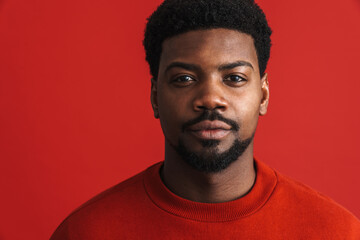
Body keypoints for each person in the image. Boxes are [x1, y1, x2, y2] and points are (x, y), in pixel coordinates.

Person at [50, 0, 360, 239]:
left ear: (263, 96)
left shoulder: (337, 231)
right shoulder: (87, 232)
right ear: (155, 96)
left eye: (235, 78)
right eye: (184, 78)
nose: (211, 98)